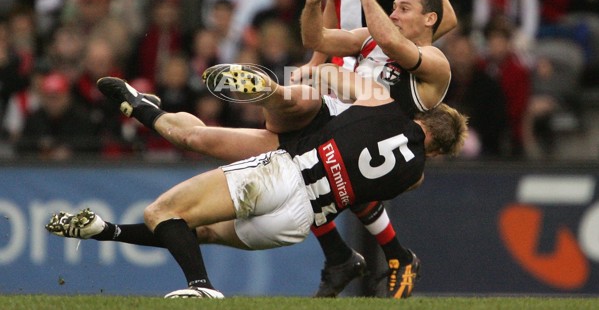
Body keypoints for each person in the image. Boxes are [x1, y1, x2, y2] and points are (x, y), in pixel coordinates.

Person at [46, 68, 468, 299]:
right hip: (299, 222)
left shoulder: (385, 102)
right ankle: (105, 230)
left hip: (283, 171)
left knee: (162, 211)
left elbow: (333, 77)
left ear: (421, 117)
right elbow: (367, 202)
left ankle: (202, 288)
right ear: (436, 151)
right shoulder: (414, 176)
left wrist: (313, 73)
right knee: (201, 231)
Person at [292, 0, 457, 298]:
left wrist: (402, 58)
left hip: (372, 79)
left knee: (310, 165)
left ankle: (347, 257)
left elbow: (447, 15)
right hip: (341, 68)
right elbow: (332, 7)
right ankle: (385, 254)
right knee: (310, 165)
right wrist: (316, 61)